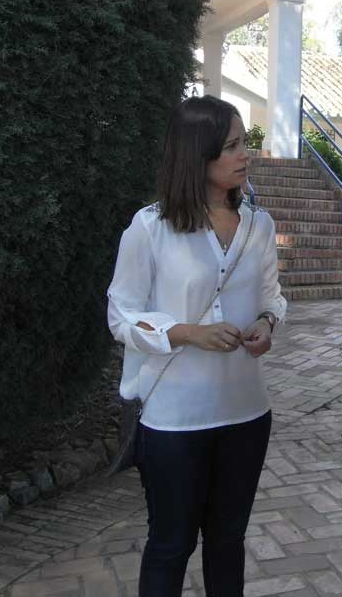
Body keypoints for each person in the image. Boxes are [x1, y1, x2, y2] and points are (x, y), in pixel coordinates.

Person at [107, 95, 286, 597]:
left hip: (247, 413)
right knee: (170, 544)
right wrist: (187, 333)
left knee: (228, 542)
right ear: (197, 155)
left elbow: (273, 297)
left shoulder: (259, 225)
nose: (243, 155)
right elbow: (120, 313)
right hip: (174, 420)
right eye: (230, 146)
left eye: (243, 143)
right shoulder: (151, 227)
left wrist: (268, 324)